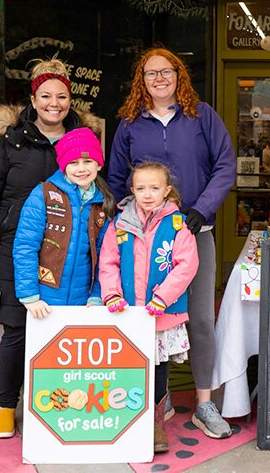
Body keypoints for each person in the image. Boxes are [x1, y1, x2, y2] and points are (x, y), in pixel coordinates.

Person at [0, 58, 100, 439]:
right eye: (45, 95)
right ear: (33, 98)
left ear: (70, 99)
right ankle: (7, 406)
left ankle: (56, 403)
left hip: (72, 252)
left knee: (66, 333)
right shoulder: (8, 143)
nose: (53, 103)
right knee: (17, 331)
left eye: (61, 96)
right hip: (15, 251)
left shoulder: (83, 141)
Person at [108, 47, 236, 439]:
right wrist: (129, 221)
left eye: (166, 71)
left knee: (199, 319)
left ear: (179, 75)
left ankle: (204, 404)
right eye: (151, 73)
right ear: (141, 81)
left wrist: (201, 210)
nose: (159, 78)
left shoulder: (202, 116)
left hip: (195, 234)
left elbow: (225, 165)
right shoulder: (130, 124)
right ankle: (150, 401)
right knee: (143, 316)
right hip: (141, 239)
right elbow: (115, 179)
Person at [99, 161, 198, 452]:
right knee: (127, 365)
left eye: (154, 188)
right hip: (128, 312)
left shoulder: (177, 224)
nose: (147, 194)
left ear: (167, 190)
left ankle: (155, 421)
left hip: (161, 313)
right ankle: (126, 417)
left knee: (158, 369)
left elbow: (186, 265)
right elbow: (108, 262)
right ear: (132, 190)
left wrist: (162, 297)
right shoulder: (119, 224)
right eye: (140, 188)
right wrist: (112, 295)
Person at [13, 127, 112, 317]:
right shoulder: (43, 194)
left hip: (84, 302)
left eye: (88, 161)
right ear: (63, 166)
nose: (81, 168)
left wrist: (97, 295)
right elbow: (25, 246)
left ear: (99, 165)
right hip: (43, 299)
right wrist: (29, 295)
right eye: (73, 162)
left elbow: (105, 256)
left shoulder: (102, 203)